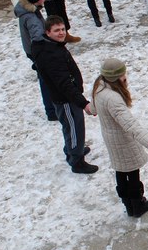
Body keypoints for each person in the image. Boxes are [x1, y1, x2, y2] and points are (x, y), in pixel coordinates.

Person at [92, 58, 148, 217]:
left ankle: (128, 206)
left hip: (110, 138)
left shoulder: (99, 87)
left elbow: (94, 108)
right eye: (123, 75)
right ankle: (138, 205)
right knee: (133, 173)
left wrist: (90, 108)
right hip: (122, 140)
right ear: (116, 77)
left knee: (121, 171)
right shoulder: (113, 98)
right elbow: (130, 124)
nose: (125, 77)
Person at [32, 15, 99, 174]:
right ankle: (76, 160)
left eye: (63, 29)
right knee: (74, 128)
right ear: (48, 32)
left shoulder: (52, 46)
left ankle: (73, 148)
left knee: (71, 127)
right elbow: (64, 83)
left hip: (68, 97)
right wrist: (83, 103)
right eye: (57, 30)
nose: (61, 33)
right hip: (66, 99)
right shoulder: (51, 54)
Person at [15, 0, 56, 121]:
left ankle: (51, 108)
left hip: (33, 51)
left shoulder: (28, 10)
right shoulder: (31, 17)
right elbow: (38, 37)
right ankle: (51, 111)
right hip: (39, 52)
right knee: (46, 79)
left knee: (45, 78)